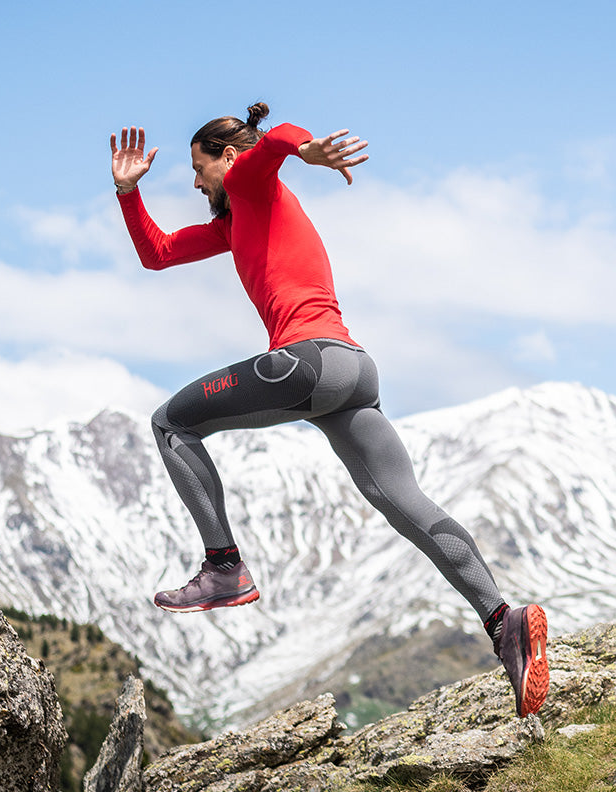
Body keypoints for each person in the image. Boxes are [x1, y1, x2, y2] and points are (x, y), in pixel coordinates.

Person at [110, 103, 549, 718]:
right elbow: (157, 253)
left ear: (226, 158)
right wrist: (128, 193)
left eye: (197, 167)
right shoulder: (233, 223)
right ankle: (505, 622)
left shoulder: (247, 177)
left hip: (305, 361)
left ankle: (223, 567)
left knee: (171, 423)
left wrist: (307, 148)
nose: (194, 181)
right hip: (352, 369)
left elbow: (277, 141)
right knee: (405, 501)